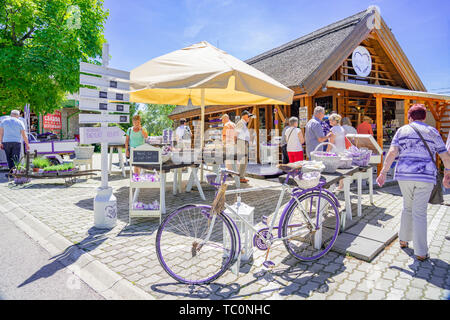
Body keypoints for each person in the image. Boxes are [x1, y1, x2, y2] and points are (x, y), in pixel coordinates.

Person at [376, 104, 450, 261]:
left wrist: (383, 172)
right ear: (424, 117)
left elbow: (392, 152)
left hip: (404, 175)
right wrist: (447, 173)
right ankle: (421, 251)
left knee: (407, 207)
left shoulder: (402, 130)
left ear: (410, 116)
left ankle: (403, 240)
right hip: (425, 175)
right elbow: (444, 155)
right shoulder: (432, 131)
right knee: (419, 212)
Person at [0, 110, 30, 176]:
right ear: (18, 115)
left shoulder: (4, 121)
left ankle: (11, 173)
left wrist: (0, 142)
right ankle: (15, 173)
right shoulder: (20, 122)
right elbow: (24, 135)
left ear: (11, 115)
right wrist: (27, 144)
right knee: (16, 158)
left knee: (9, 158)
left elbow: (1, 133)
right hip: (16, 142)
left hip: (6, 142)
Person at [235, 110, 253, 183]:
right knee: (243, 160)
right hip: (241, 142)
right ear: (244, 116)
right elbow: (236, 133)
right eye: (248, 116)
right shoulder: (241, 123)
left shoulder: (243, 123)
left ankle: (241, 176)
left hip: (243, 142)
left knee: (244, 160)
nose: (249, 118)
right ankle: (240, 177)